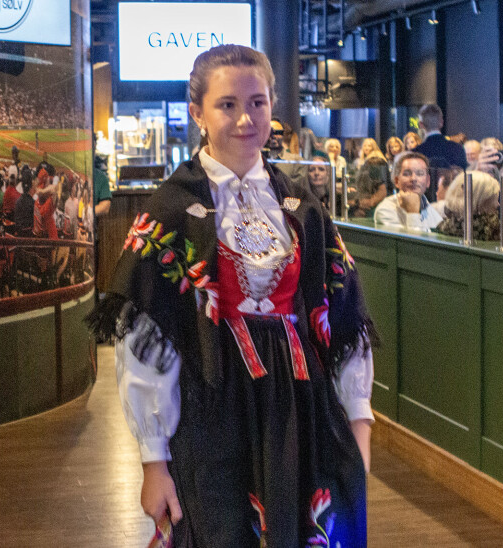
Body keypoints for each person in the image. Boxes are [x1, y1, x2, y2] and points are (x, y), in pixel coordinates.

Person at [87, 44, 373, 547]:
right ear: (197, 112)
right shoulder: (172, 211)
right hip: (213, 408)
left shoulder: (302, 206)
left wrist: (359, 422)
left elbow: (344, 314)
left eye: (258, 102)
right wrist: (154, 460)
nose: (245, 118)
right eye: (227, 104)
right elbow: (147, 342)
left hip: (299, 409)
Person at [374, 151, 443, 231]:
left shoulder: (425, 205)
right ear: (396, 181)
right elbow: (412, 242)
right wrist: (413, 213)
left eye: (420, 174)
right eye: (407, 174)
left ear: (428, 181)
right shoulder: (385, 210)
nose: (413, 179)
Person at [437, 171, 502, 240]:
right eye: (491, 199)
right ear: (479, 200)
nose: (497, 204)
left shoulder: (446, 225)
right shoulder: (490, 230)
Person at [412, 104, 468, 171]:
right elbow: (463, 178)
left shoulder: (415, 154)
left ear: (421, 125)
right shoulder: (457, 149)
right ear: (441, 122)